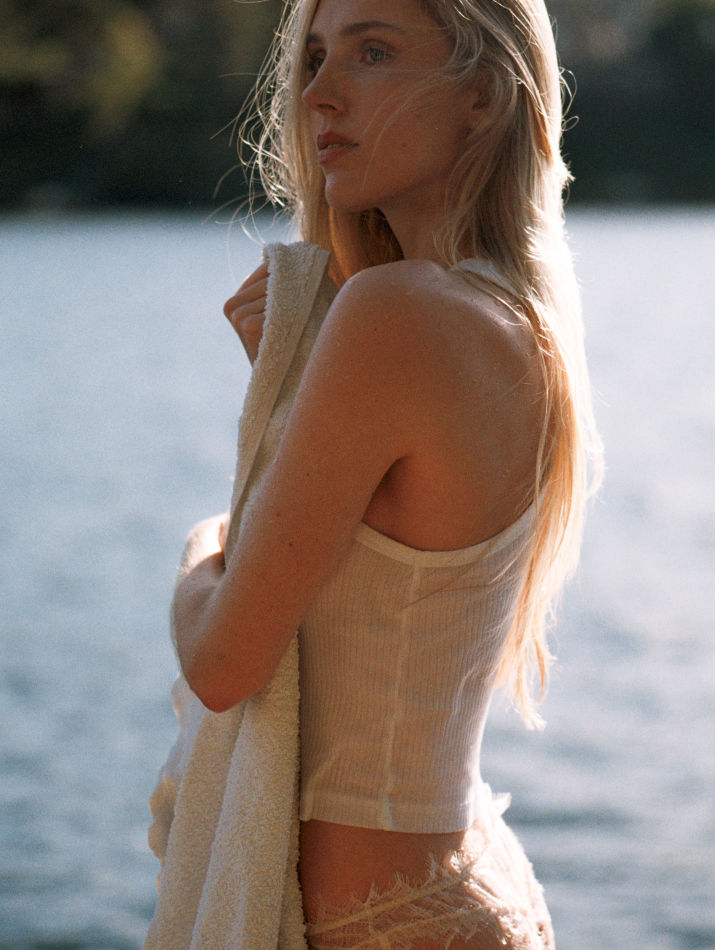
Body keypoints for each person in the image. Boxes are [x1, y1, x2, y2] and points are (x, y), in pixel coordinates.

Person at [171, 0, 602, 947]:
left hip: (380, 925)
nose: (319, 94)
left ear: (483, 93)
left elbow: (221, 664)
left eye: (372, 52)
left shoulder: (395, 311)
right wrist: (296, 394)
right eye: (315, 57)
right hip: (456, 889)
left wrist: (202, 549)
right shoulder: (516, 318)